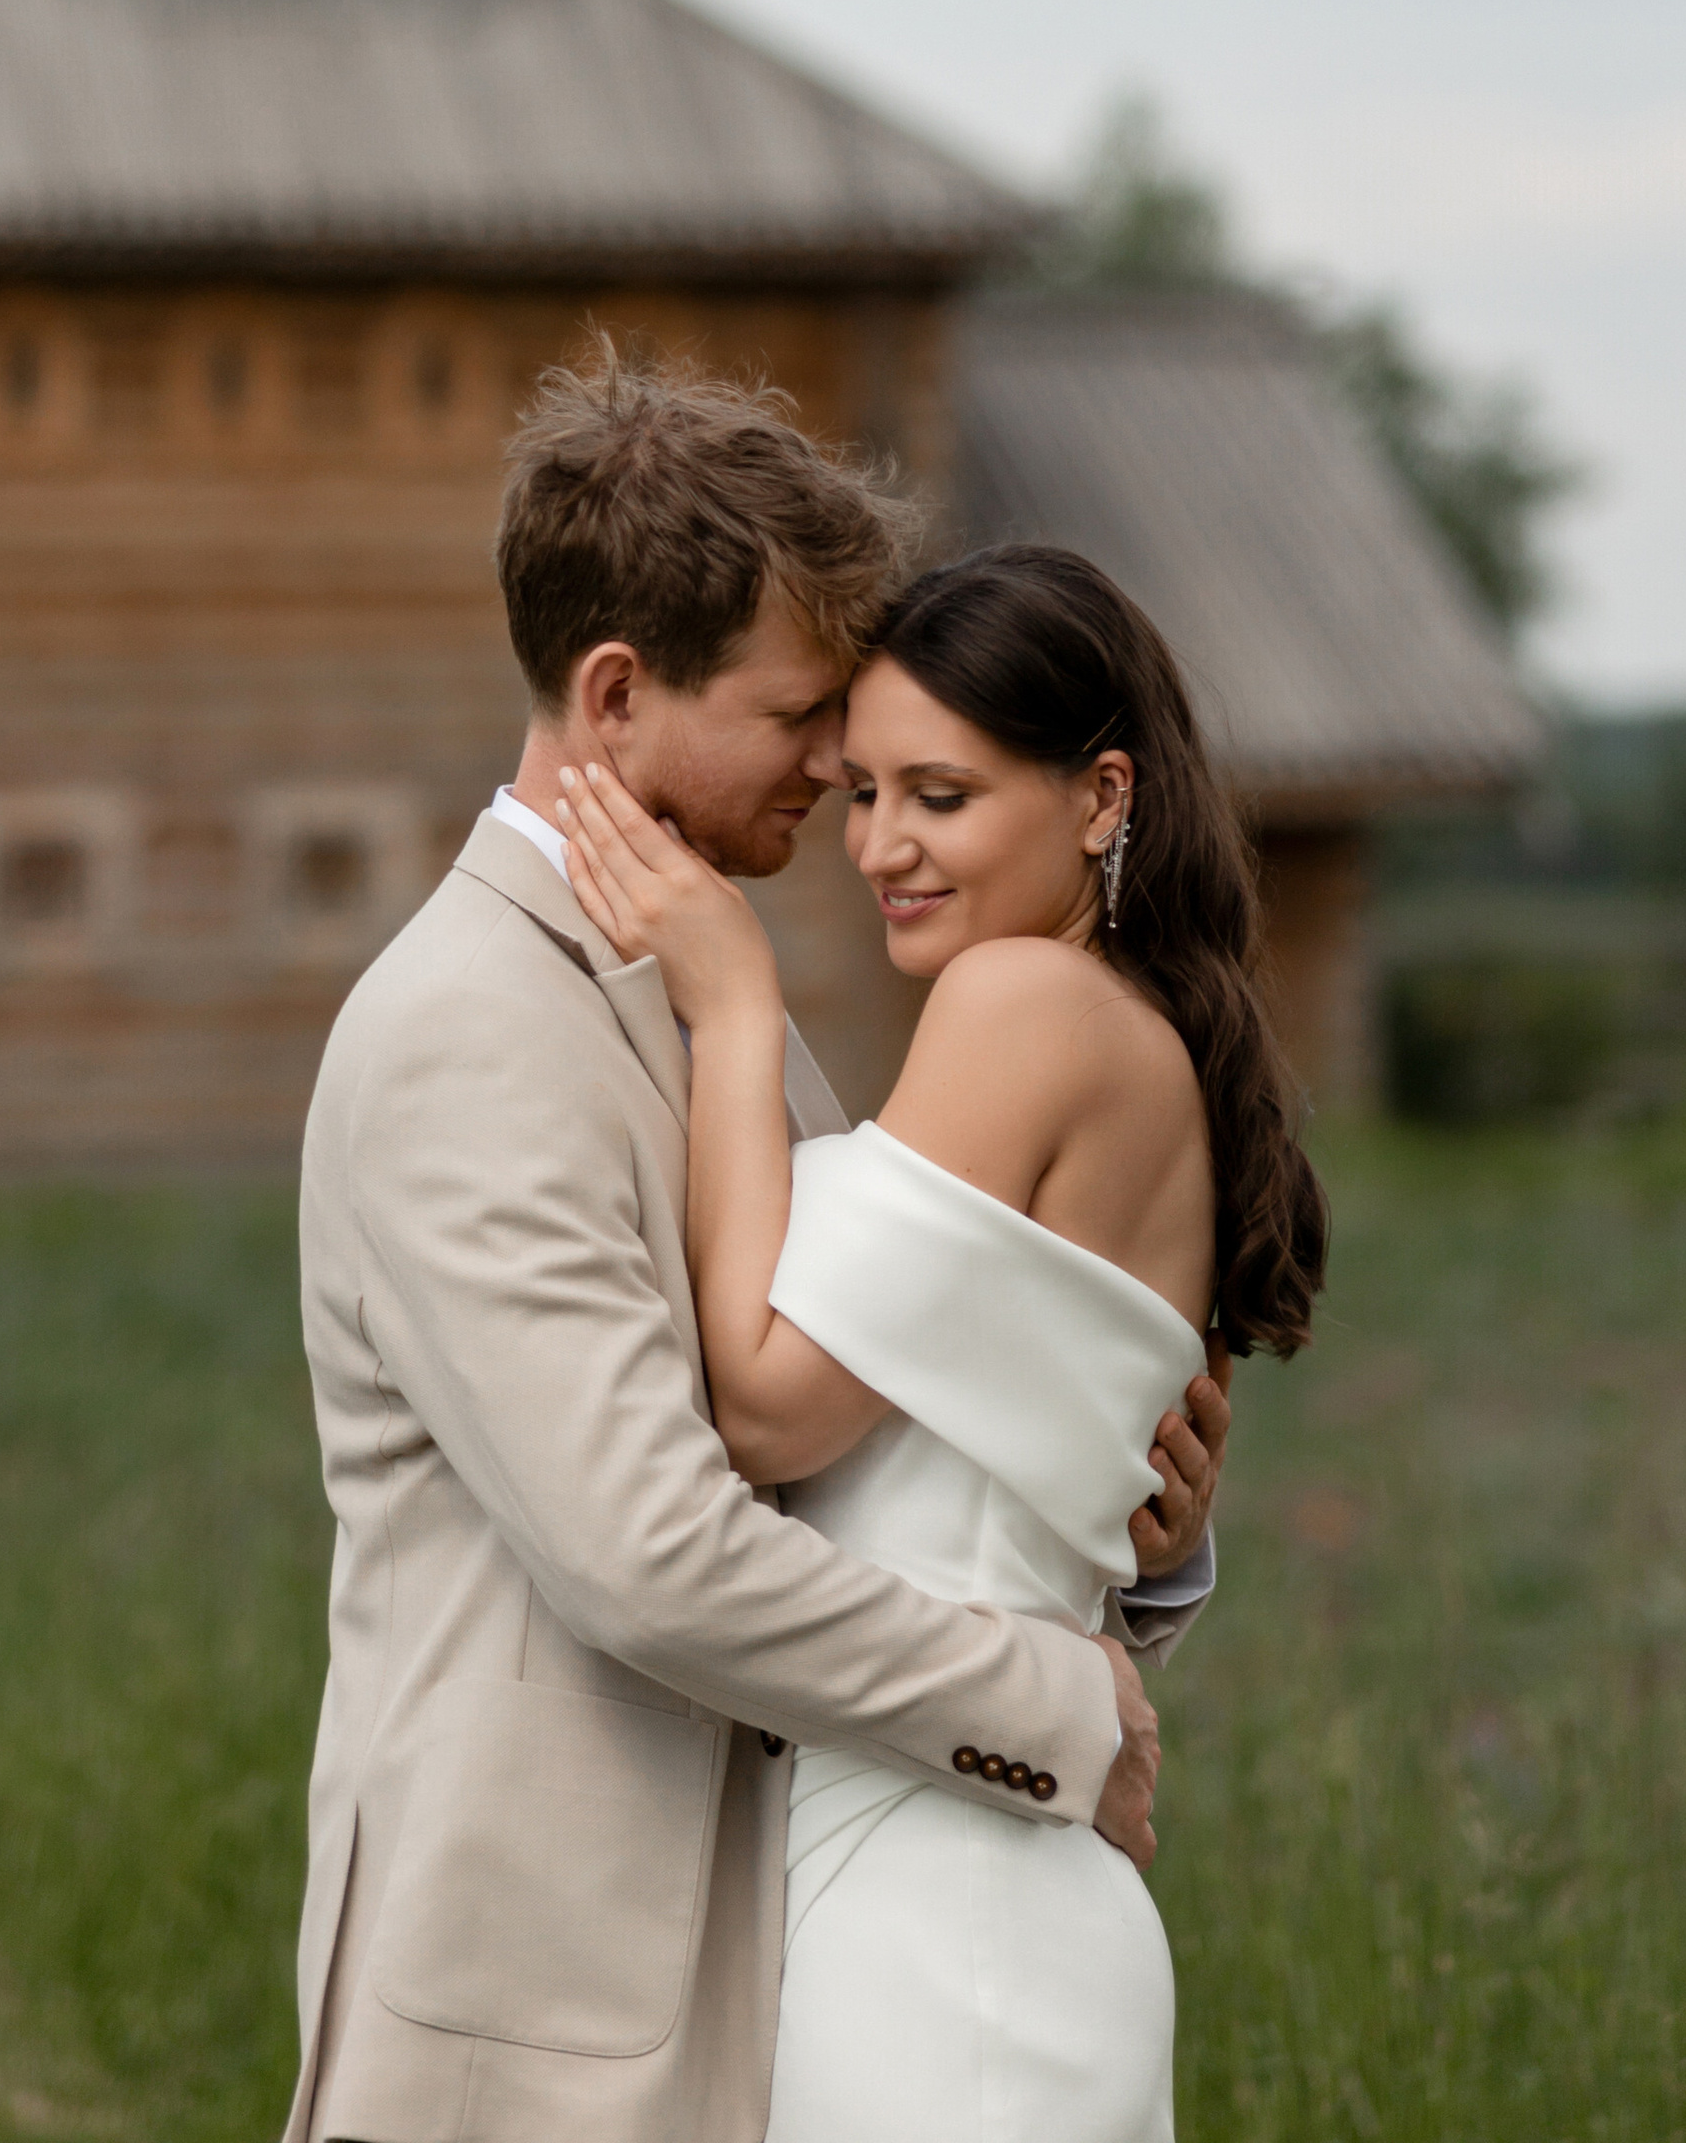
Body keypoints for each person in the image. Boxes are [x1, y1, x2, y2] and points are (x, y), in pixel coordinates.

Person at [283, 349, 1232, 2143]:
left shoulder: (726, 994)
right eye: (804, 719)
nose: (839, 770)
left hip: (804, 1961)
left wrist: (1129, 1521)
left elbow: (867, 1440)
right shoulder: (466, 1031)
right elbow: (651, 1553)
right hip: (552, 2021)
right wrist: (1053, 1704)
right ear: (619, 692)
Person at [557, 536, 1329, 2143]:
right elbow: (1057, 1499)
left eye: (942, 797)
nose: (881, 846)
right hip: (957, 1859)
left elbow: (769, 1413)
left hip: (950, 1904)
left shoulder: (1022, 1011)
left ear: (1103, 799)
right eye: (861, 794)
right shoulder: (1142, 1031)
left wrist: (736, 1009)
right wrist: (1165, 1560)